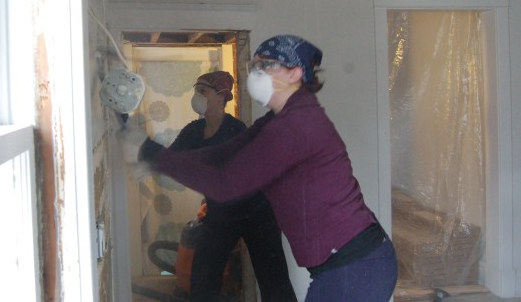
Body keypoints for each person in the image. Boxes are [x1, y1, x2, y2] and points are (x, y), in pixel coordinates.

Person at [137, 35, 398, 302]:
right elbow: (223, 152)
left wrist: (151, 154)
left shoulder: (296, 125)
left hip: (355, 266)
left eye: (267, 65)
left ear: (296, 73)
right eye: (254, 65)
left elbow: (225, 184)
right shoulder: (277, 120)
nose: (256, 73)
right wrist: (155, 157)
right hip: (348, 263)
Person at [170, 70, 297, 302]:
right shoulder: (193, 131)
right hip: (221, 213)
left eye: (203, 91)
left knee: (274, 281)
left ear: (221, 96)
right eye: (196, 90)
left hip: (257, 212)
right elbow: (170, 160)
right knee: (203, 278)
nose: (197, 96)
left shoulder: (236, 131)